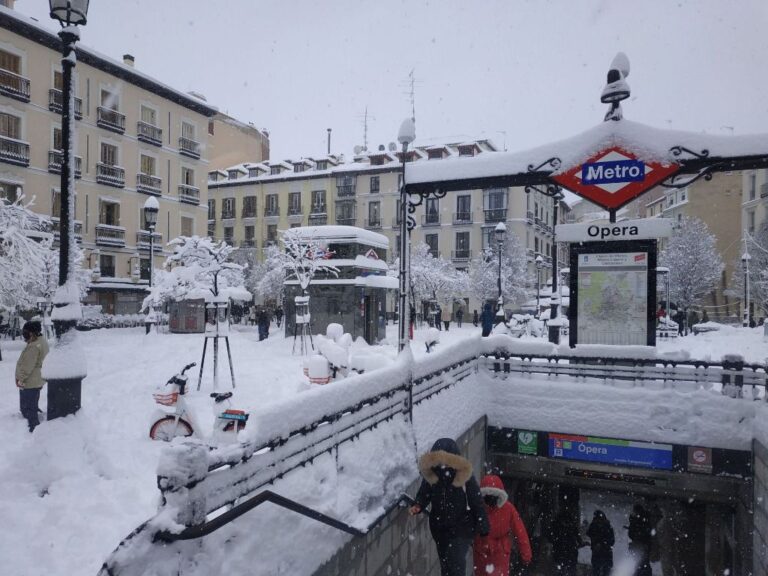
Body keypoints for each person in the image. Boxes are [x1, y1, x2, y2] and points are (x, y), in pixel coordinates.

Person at [409, 438, 489, 576]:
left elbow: (476, 501)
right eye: (439, 462)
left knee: (456, 563)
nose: (443, 466)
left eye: (447, 461)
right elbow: (424, 493)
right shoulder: (432, 476)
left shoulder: (464, 476)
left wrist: (483, 524)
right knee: (445, 564)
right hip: (439, 528)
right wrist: (418, 505)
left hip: (461, 528)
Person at [473, 474, 531, 576]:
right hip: (488, 552)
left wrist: (526, 553)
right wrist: (526, 555)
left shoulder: (507, 509)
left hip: (492, 552)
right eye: (487, 496)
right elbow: (520, 530)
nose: (490, 500)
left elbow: (520, 530)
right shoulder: (507, 509)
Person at [15, 321, 49, 433]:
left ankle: (33, 429)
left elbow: (27, 366)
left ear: (33, 333)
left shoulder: (34, 346)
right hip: (37, 380)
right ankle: (33, 419)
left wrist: (20, 378)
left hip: (30, 381)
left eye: (26, 333)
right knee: (32, 402)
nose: (24, 336)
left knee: (27, 408)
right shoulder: (41, 341)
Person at [548, 508, 583, 576]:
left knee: (562, 569)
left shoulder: (556, 524)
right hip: (569, 550)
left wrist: (555, 541)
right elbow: (577, 535)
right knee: (570, 569)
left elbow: (550, 535)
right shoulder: (571, 524)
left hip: (561, 550)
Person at [627, 503, 653, 576]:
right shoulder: (644, 520)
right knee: (642, 563)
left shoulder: (638, 520)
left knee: (642, 563)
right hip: (641, 545)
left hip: (641, 545)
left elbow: (632, 534)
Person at [587, 510, 615, 576]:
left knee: (604, 570)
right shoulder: (594, 525)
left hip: (605, 552)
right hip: (599, 553)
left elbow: (611, 540)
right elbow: (589, 533)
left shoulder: (607, 527)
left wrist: (601, 544)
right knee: (597, 570)